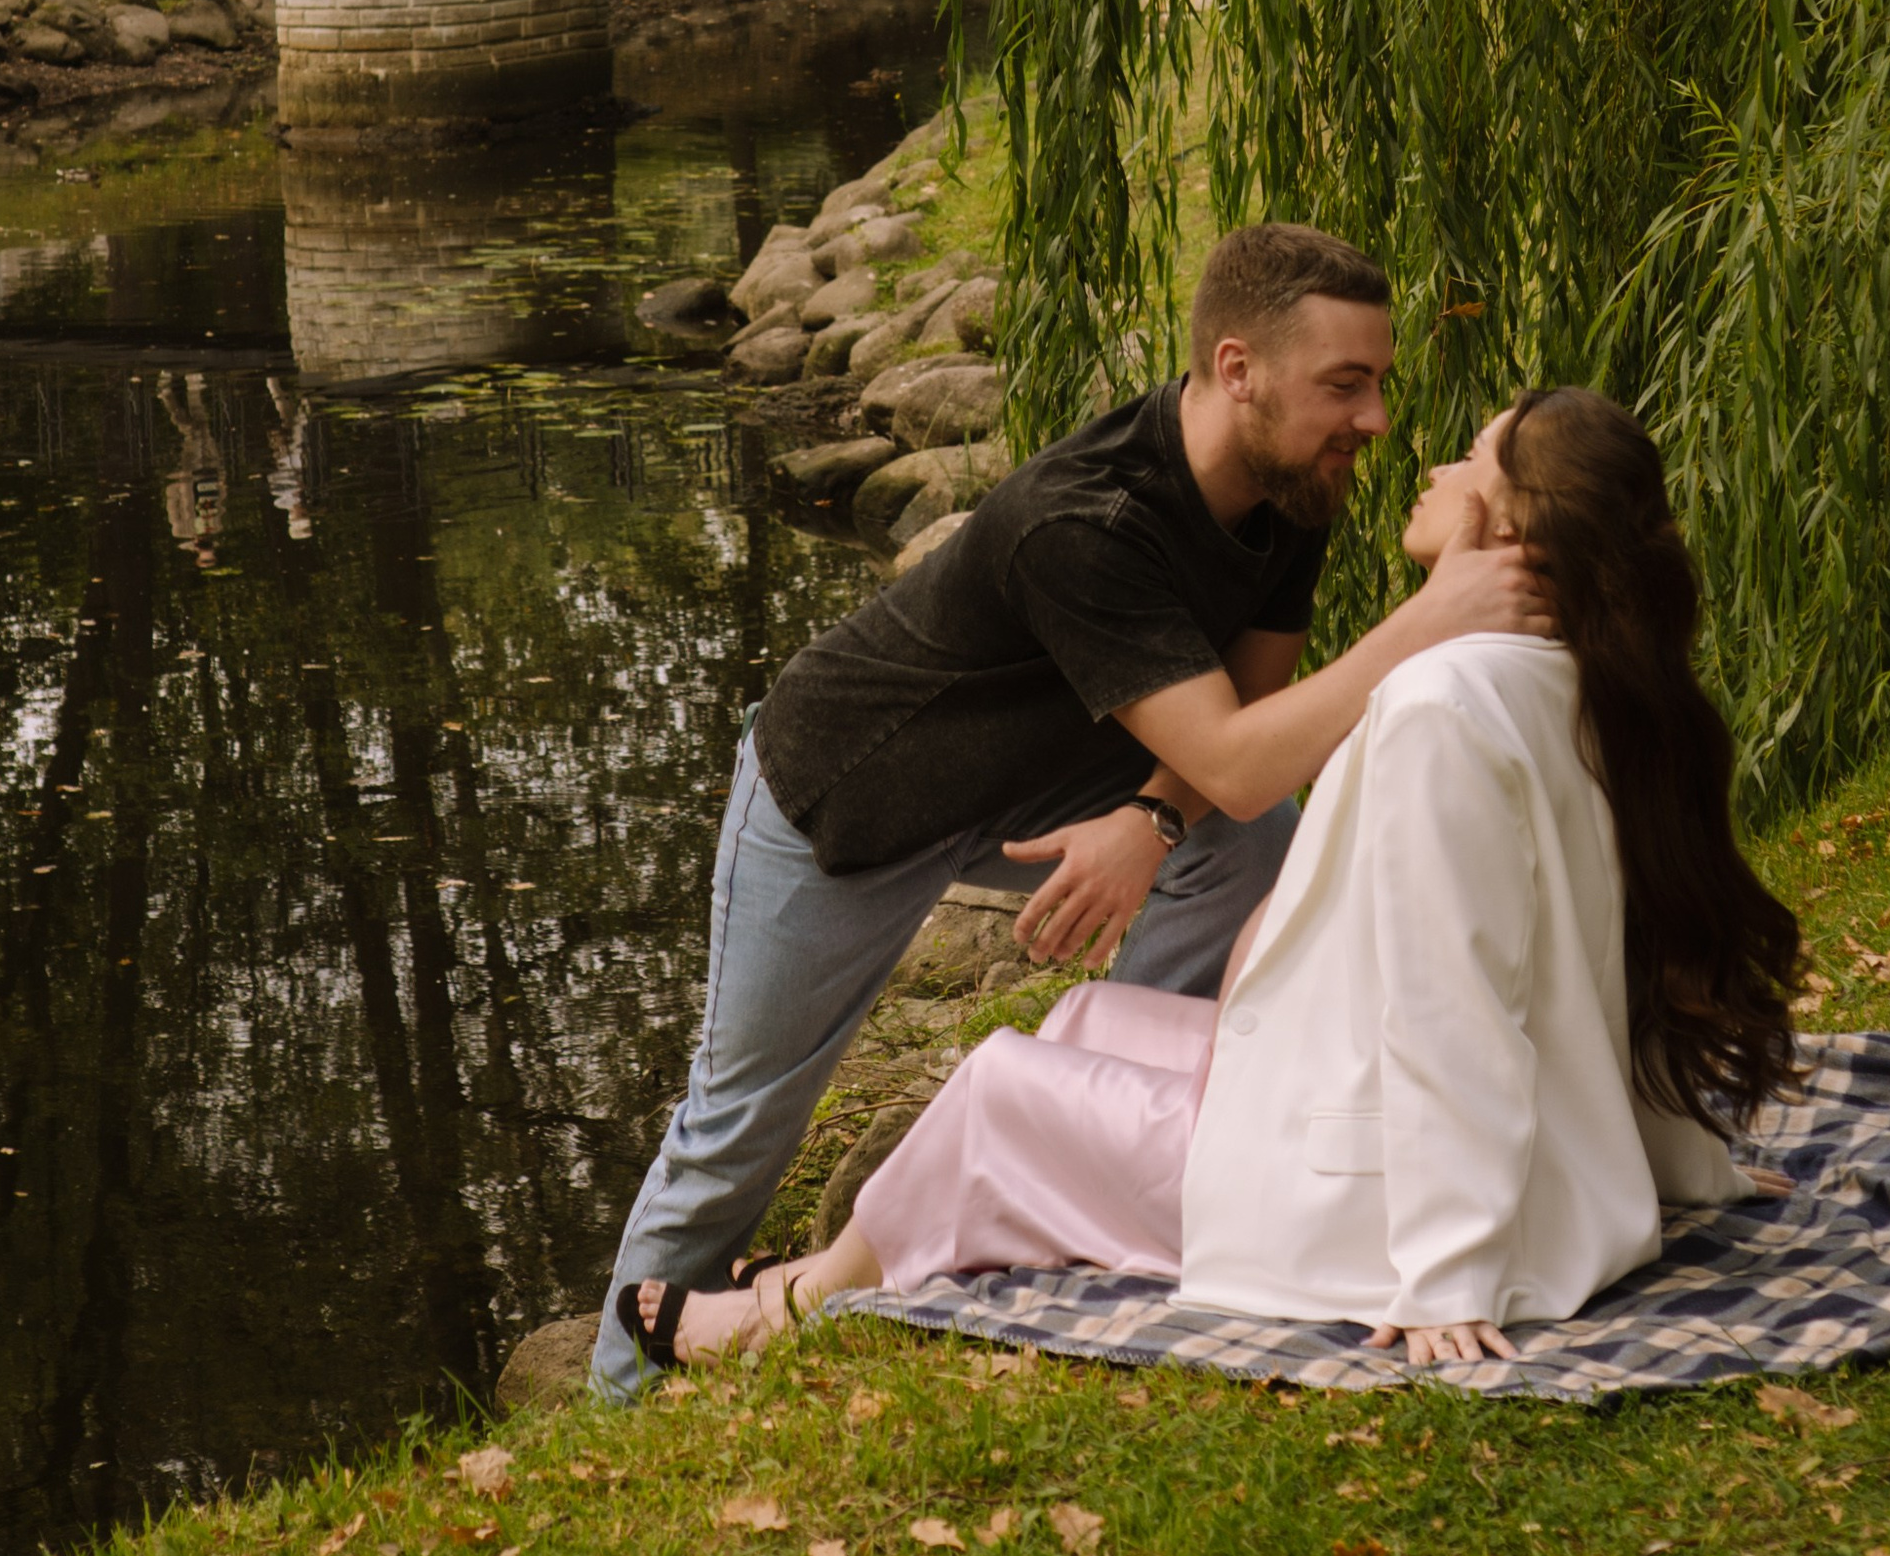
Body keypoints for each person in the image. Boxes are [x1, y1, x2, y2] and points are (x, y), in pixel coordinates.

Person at [629, 386, 1799, 1371]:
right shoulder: (1581, 672)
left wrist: (1446, 1273)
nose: (1429, 458)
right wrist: (1676, 1165)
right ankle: (817, 1273)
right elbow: (1627, 948)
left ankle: (783, 1311)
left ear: (1512, 528)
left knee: (999, 1087)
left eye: (1473, 457)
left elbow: (1459, 1001)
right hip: (1421, 1123)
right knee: (1083, 1013)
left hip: (1376, 1198)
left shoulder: (1444, 707)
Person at [594, 221, 1544, 1397]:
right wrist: (1430, 619)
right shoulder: (1086, 521)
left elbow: (1246, 714)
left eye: (1377, 385)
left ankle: (1110, 1158)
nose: (1376, 422)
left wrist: (1145, 819)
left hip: (1041, 781)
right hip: (845, 799)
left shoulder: (1290, 487)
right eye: (1344, 385)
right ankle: (613, 1408)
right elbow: (1240, 756)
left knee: (1245, 838)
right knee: (735, 1128)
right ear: (1238, 368)